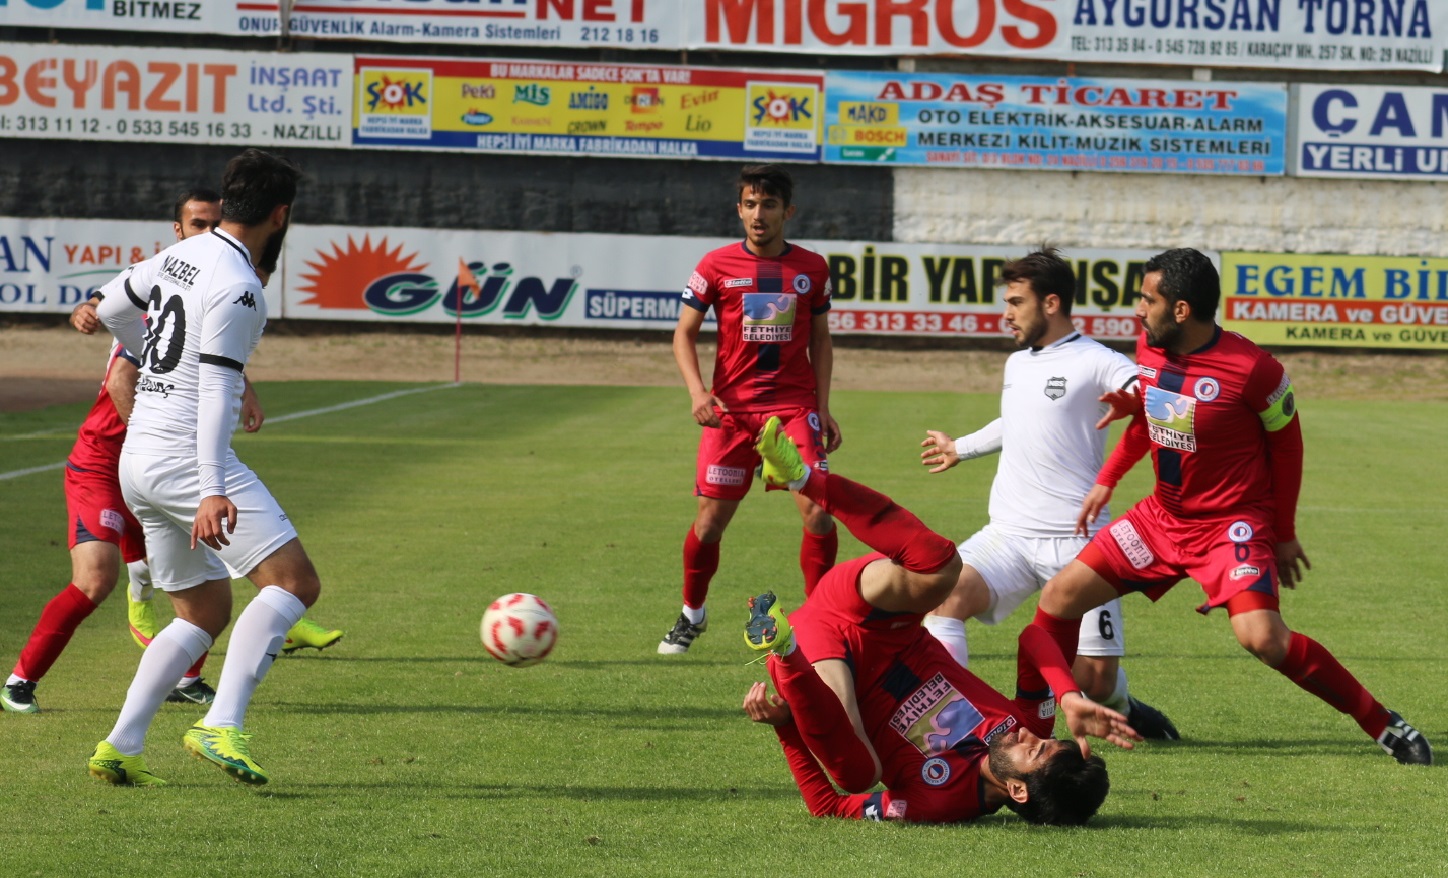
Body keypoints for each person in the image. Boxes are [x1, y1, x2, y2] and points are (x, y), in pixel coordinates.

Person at [1024, 247, 1431, 766]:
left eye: (1147, 299)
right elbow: (1153, 419)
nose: (1137, 309)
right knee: (1060, 597)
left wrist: (1282, 533)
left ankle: (1383, 724)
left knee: (1263, 638)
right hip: (1161, 519)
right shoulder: (1149, 348)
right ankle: (1034, 729)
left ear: (1181, 309)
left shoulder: (1254, 370)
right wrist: (1108, 480)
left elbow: (1288, 446)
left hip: (1231, 525)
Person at [1, 190, 339, 717]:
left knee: (203, 600)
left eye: (214, 221)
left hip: (146, 464)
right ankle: (23, 679)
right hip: (118, 462)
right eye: (197, 223)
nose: (208, 231)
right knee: (102, 579)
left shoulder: (194, 289)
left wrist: (243, 388)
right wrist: (152, 425)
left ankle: (158, 704)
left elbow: (202, 355)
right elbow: (122, 368)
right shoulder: (160, 298)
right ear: (177, 231)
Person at [741, 415, 1140, 825]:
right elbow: (1034, 638)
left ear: (1018, 790)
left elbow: (828, 806)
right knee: (943, 567)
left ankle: (782, 646)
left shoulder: (938, 804)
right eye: (1045, 740)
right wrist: (1069, 693)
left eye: (1035, 751)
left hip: (821, 658)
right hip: (880, 618)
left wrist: (786, 728)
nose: (1031, 736)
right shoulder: (1026, 723)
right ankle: (803, 477)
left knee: (859, 774)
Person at [88, 149, 321, 786]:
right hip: (188, 461)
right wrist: (213, 488)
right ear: (280, 215)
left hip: (138, 458)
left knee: (201, 613)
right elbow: (219, 389)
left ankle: (121, 744)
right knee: (295, 583)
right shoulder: (241, 285)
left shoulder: (178, 255)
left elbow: (108, 308)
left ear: (227, 201)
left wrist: (155, 361)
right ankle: (221, 722)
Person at [917, 248, 1178, 740]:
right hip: (1009, 535)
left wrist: (1135, 397)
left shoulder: (1098, 360)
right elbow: (1015, 420)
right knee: (942, 597)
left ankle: (1123, 702)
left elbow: (1152, 397)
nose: (1007, 313)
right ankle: (968, 735)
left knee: (1094, 682)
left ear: (1052, 303)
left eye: (1016, 302)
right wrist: (960, 447)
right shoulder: (1017, 364)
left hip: (1080, 545)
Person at [660, 164, 841, 654]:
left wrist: (822, 407)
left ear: (788, 211)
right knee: (708, 524)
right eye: (750, 204)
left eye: (769, 205)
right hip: (732, 414)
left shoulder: (812, 268)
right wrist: (699, 393)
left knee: (820, 514)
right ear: (738, 209)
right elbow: (683, 334)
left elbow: (822, 341)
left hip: (792, 410)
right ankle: (691, 615)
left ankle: (822, 618)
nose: (759, 214)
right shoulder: (715, 265)